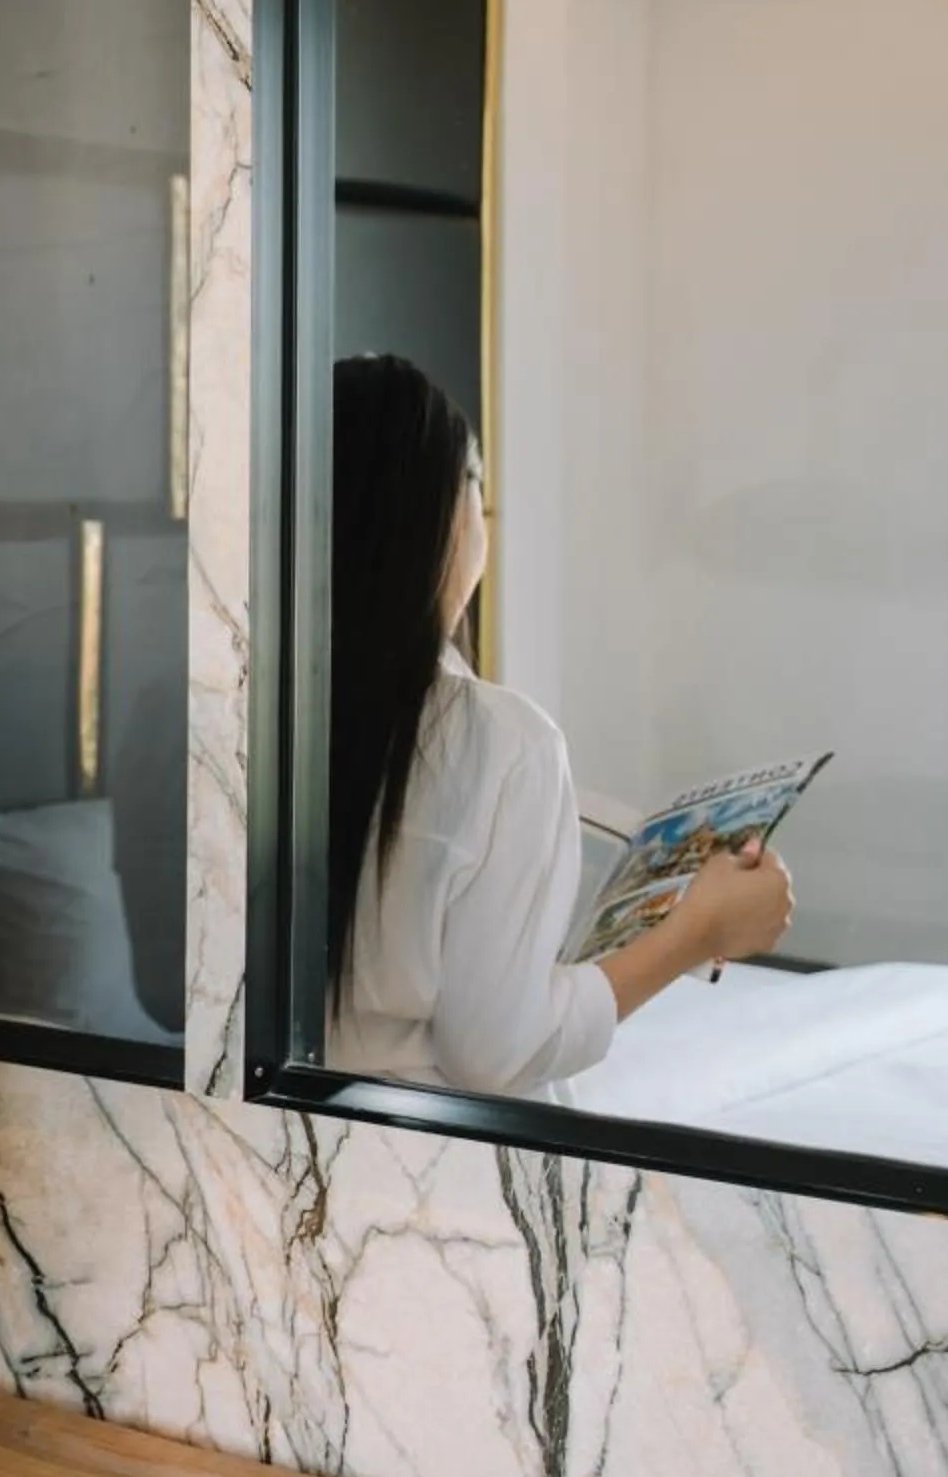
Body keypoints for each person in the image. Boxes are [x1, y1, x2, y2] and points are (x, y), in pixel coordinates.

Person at [327, 354, 794, 1097]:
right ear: (446, 511)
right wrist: (692, 934)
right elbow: (496, 1051)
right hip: (446, 1167)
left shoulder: (250, 717)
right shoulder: (499, 743)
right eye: (476, 485)